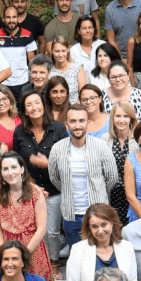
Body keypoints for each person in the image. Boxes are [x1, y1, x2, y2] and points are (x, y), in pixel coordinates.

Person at [47, 104, 118, 259]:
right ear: (66, 124)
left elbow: (112, 177)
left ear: (88, 123)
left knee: (101, 256)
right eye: (73, 121)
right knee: (78, 258)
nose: (77, 125)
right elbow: (54, 177)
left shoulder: (101, 147)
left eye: (81, 121)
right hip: (71, 216)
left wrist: (98, 192)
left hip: (98, 215)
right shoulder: (57, 149)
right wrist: (68, 191)